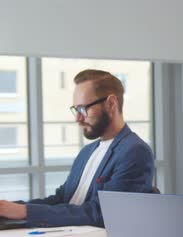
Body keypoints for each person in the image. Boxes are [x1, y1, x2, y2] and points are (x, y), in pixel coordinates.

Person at [0, 69, 154, 227]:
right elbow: (62, 199)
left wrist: (25, 212)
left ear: (111, 104)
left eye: (83, 109)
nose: (77, 118)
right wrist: (10, 208)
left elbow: (103, 213)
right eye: (76, 109)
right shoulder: (87, 152)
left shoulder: (134, 151)